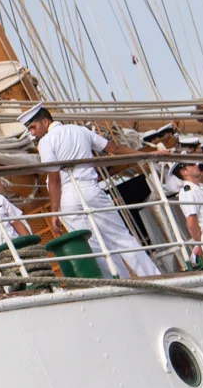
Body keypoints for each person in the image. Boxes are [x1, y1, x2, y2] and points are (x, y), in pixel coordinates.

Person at [22, 104, 158, 278]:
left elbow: (54, 179)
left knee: (92, 246)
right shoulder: (80, 130)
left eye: (33, 127)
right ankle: (152, 275)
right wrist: (146, 155)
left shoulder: (47, 142)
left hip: (68, 197)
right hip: (91, 189)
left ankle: (121, 283)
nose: (32, 133)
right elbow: (114, 149)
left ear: (45, 121)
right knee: (120, 237)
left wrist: (54, 212)